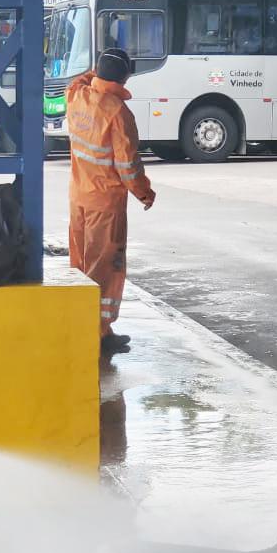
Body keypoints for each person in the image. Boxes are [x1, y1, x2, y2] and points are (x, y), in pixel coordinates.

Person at [66, 48, 156, 355]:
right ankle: (99, 335)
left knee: (80, 267)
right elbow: (128, 165)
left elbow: (80, 80)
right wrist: (144, 193)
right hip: (106, 205)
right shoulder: (118, 112)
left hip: (79, 199)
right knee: (104, 272)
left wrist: (96, 72)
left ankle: (79, 325)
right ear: (125, 77)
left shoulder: (76, 96)